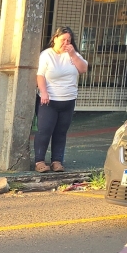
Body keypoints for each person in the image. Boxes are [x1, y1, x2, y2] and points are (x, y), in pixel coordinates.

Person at [34, 26, 87, 173]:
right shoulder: (47, 55)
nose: (66, 43)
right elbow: (40, 75)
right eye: (63, 40)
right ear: (55, 38)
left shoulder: (72, 54)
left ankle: (57, 161)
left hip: (68, 99)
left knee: (61, 131)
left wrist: (73, 55)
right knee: (44, 130)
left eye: (69, 40)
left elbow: (83, 69)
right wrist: (43, 92)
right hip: (50, 100)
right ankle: (39, 161)